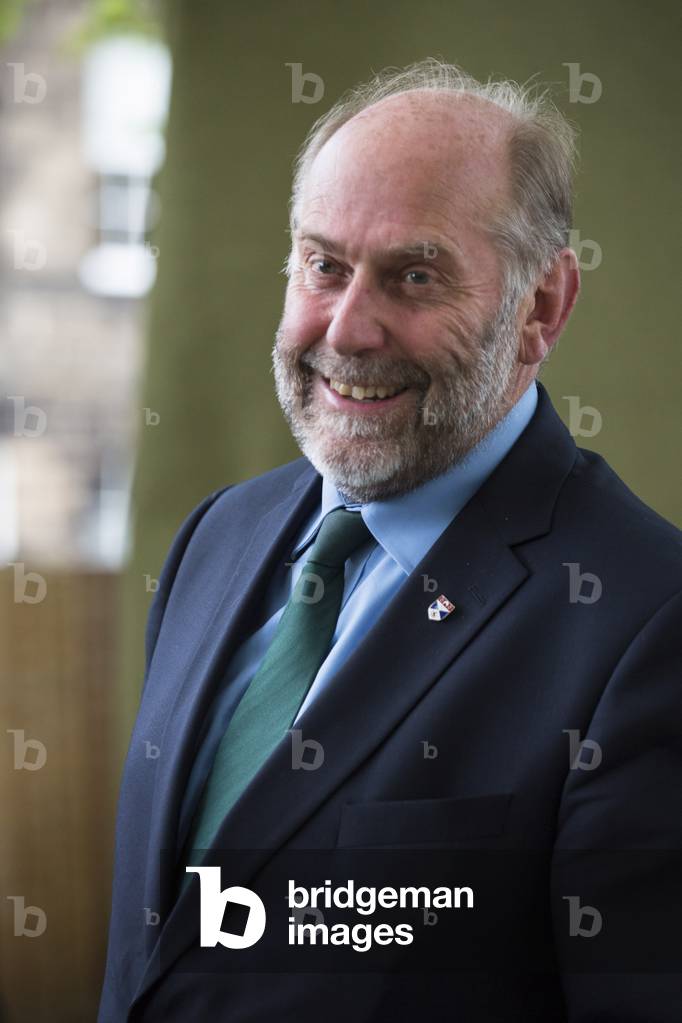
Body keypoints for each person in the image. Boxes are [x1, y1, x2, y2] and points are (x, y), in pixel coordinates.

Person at [99, 59, 682, 1022]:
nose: (349, 327)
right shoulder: (217, 536)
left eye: (414, 276)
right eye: (323, 265)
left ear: (541, 307)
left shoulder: (645, 627)